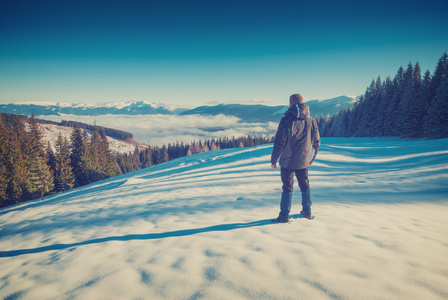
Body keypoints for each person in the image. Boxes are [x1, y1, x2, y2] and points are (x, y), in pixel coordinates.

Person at [270, 94, 320, 222]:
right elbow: (316, 142)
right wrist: (311, 158)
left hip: (287, 161)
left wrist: (274, 160)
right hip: (304, 160)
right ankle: (307, 211)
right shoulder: (311, 120)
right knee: (305, 184)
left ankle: (284, 216)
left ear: (291, 104)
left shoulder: (286, 120)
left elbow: (279, 142)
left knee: (287, 187)